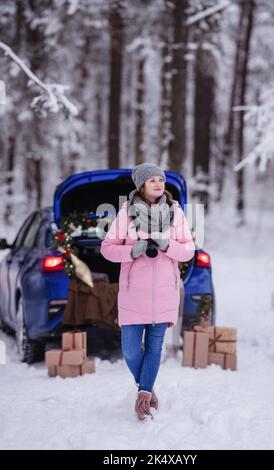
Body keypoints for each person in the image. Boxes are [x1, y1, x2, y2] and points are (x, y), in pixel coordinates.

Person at [100, 163, 195, 420]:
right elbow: (107, 249)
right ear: (141, 185)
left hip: (165, 293)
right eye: (152, 179)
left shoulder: (176, 214)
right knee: (130, 350)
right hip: (134, 294)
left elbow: (188, 250)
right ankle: (147, 386)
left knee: (155, 348)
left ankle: (143, 395)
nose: (158, 183)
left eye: (161, 179)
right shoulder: (125, 214)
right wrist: (133, 250)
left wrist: (167, 245)